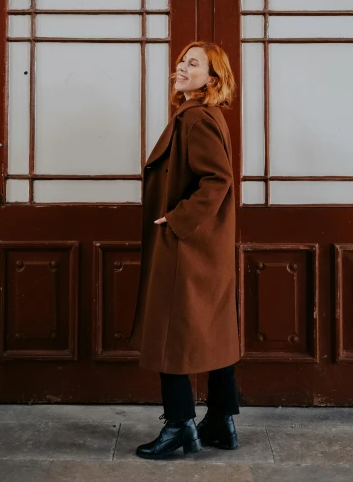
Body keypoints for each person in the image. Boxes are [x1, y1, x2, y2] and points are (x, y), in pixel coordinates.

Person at [129, 41, 240, 460]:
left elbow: (217, 179)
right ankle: (221, 422)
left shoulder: (196, 119)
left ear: (212, 79)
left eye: (193, 63)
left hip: (188, 247)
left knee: (170, 336)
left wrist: (177, 219)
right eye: (181, 60)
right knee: (214, 331)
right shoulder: (203, 116)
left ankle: (179, 427)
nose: (181, 66)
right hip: (206, 247)